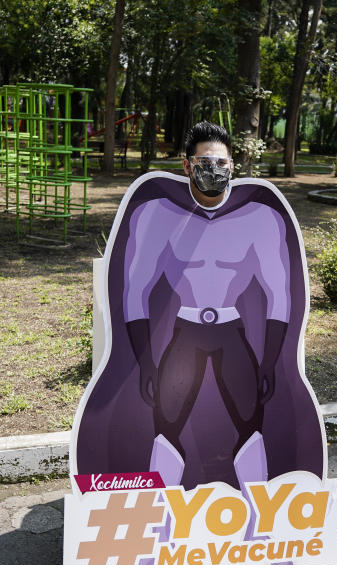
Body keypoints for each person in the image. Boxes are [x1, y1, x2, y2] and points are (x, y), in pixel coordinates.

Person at [122, 121, 293, 486]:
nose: (212, 170)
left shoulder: (260, 220)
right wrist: (145, 361)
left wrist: (270, 361)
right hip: (186, 332)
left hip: (232, 332)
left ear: (233, 166)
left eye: (220, 163)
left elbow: (279, 293)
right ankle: (160, 523)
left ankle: (258, 526)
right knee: (165, 427)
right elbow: (135, 291)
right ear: (187, 165)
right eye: (203, 162)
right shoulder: (156, 216)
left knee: (252, 424)